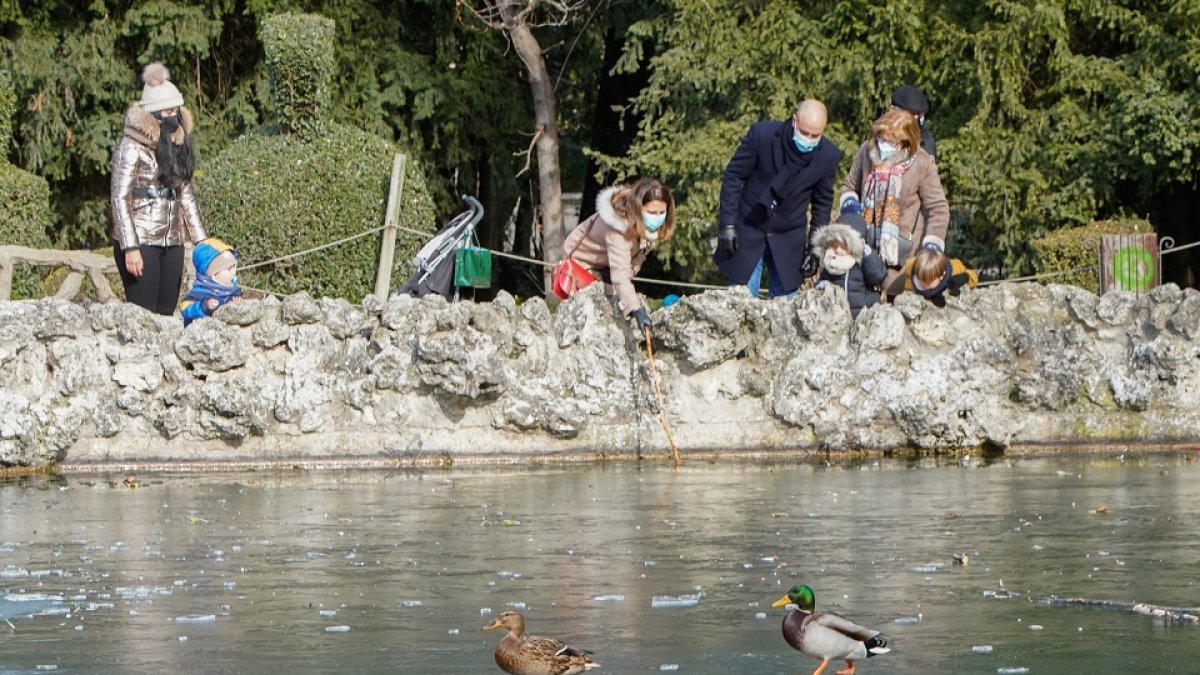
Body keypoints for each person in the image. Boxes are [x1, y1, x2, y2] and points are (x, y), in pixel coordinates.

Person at [715, 99, 841, 298]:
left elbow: (822, 203)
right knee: (741, 308)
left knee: (785, 316)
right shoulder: (762, 135)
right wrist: (727, 225)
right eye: (804, 132)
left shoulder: (828, 156)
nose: (808, 139)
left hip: (789, 240)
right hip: (748, 229)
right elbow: (734, 176)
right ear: (794, 121)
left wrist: (816, 247)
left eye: (815, 135)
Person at [110, 62, 208, 316]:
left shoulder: (176, 143)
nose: (174, 115)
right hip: (141, 239)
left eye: (176, 109)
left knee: (166, 312)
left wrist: (202, 242)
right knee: (144, 315)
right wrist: (130, 247)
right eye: (168, 110)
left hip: (172, 239)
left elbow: (185, 194)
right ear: (153, 114)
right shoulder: (130, 146)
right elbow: (120, 198)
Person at [838, 107, 949, 299]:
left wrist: (932, 245)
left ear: (906, 142)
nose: (883, 145)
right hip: (864, 250)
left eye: (890, 141)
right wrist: (850, 205)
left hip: (900, 257)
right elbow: (849, 186)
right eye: (881, 138)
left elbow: (938, 208)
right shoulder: (866, 151)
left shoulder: (922, 162)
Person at [558, 177, 675, 332]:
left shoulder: (646, 227)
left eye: (662, 212)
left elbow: (630, 264)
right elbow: (620, 275)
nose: (657, 218)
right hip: (581, 269)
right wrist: (636, 309)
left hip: (607, 272)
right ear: (638, 208)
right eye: (652, 212)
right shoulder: (618, 228)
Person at [811, 212, 886, 318]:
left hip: (862, 312)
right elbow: (824, 278)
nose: (837, 250)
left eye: (842, 246)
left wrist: (868, 254)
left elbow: (877, 276)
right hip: (839, 315)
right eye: (834, 245)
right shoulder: (832, 261)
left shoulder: (860, 262)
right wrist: (822, 284)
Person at [180, 238, 243, 326]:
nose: (234, 272)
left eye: (234, 267)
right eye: (229, 269)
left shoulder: (233, 291)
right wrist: (203, 307)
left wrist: (238, 304)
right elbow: (184, 309)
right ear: (212, 274)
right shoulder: (199, 293)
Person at [902, 247, 978, 307]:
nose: (923, 284)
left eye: (928, 281)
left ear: (941, 276)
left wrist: (966, 277)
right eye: (920, 279)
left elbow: (974, 277)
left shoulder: (955, 268)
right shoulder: (911, 271)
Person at [890, 85, 936, 160]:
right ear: (892, 110)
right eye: (909, 116)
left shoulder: (925, 143)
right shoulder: (878, 140)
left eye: (918, 117)